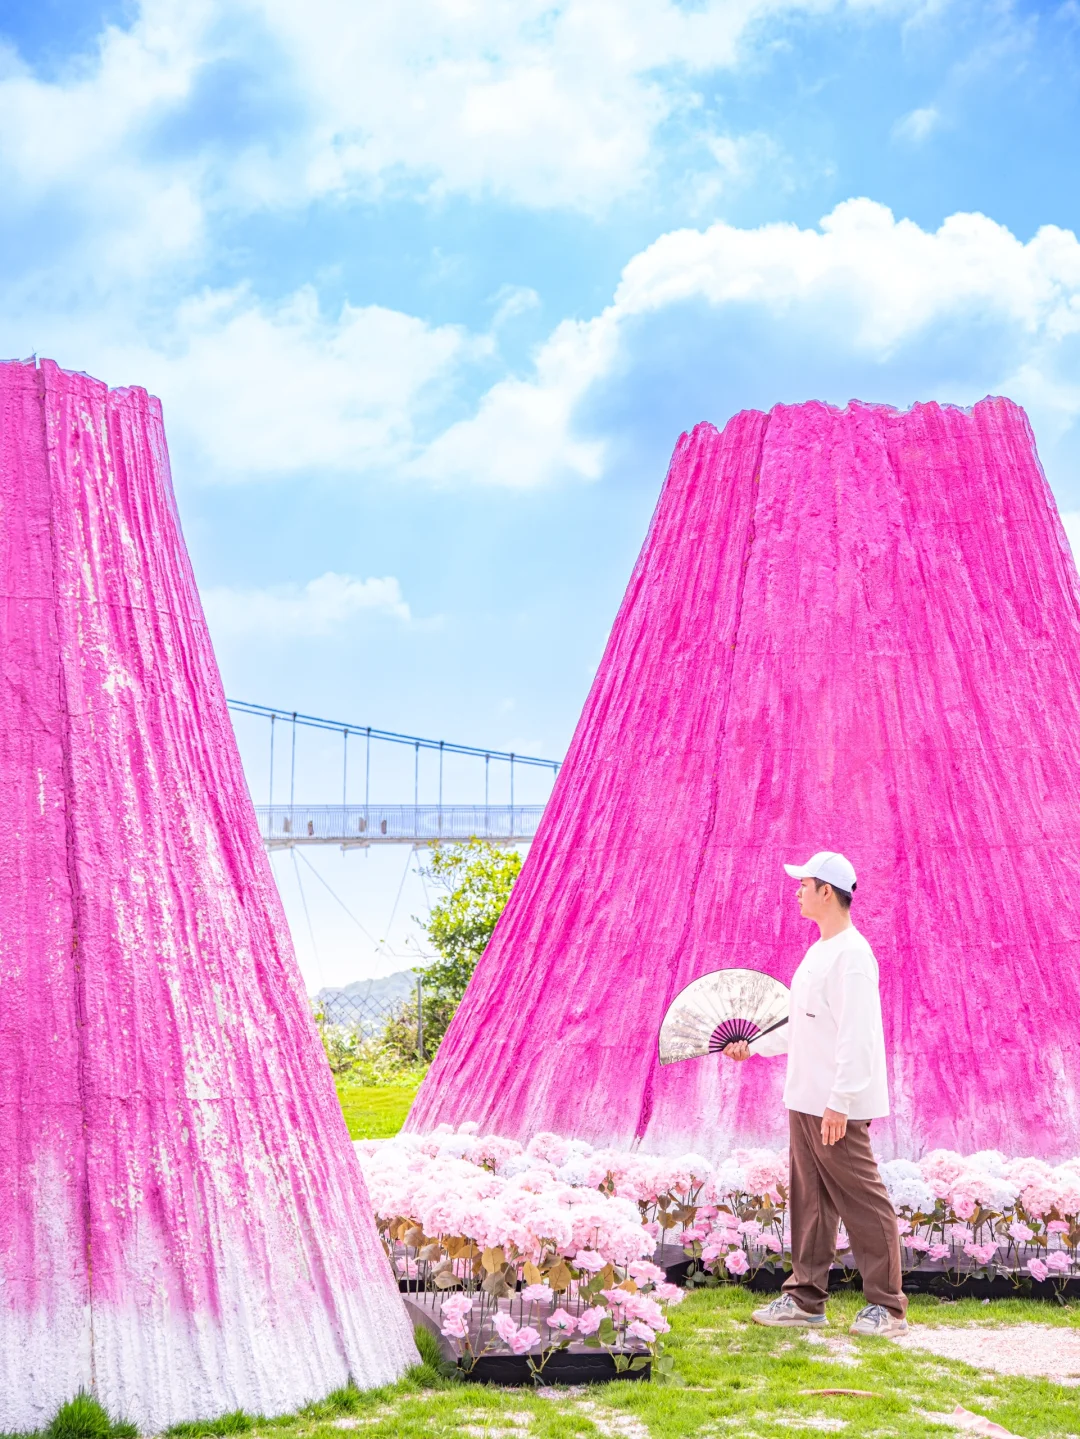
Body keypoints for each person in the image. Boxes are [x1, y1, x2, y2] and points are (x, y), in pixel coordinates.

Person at [725, 851, 907, 1337]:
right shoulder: (819, 952)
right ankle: (805, 1299)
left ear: (827, 891)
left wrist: (840, 1102)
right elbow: (801, 1028)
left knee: (863, 1200)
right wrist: (754, 1047)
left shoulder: (852, 956)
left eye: (804, 884)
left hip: (833, 1104)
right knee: (811, 1203)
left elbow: (858, 1035)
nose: (797, 891)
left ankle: (887, 1307)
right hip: (805, 1099)